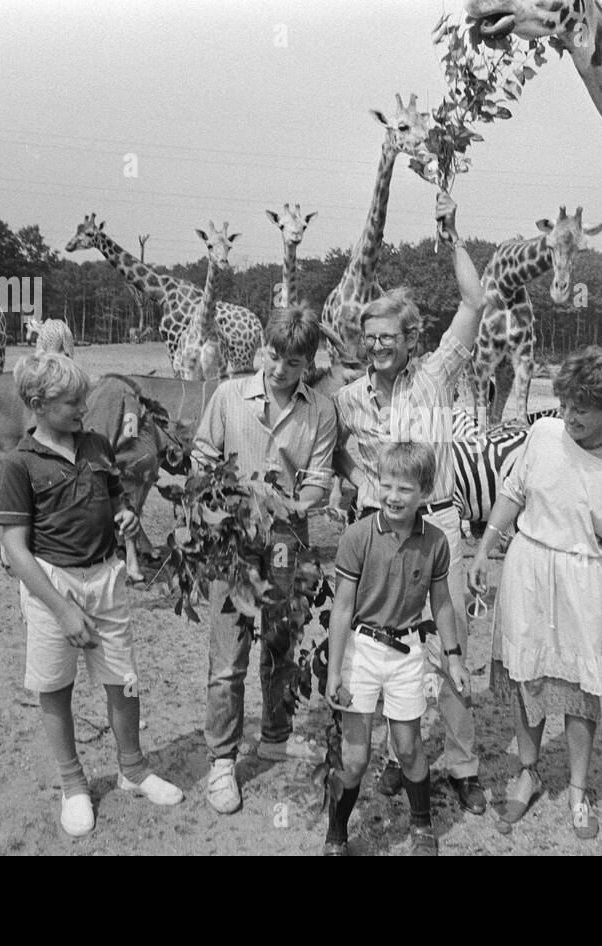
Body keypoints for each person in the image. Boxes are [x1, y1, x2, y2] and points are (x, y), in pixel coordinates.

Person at [333, 190, 489, 814]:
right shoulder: (347, 399)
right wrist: (353, 478)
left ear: (409, 336)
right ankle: (404, 759)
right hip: (376, 535)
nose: (378, 346)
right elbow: (333, 451)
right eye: (369, 337)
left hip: (440, 522)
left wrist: (451, 235)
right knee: (385, 649)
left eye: (388, 336)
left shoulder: (436, 376)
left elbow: (475, 301)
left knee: (449, 651)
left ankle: (463, 763)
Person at [467, 346, 602, 839]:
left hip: (585, 578)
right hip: (527, 566)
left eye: (583, 410)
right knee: (526, 675)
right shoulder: (544, 433)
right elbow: (513, 492)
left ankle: (577, 788)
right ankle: (527, 773)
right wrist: (485, 548)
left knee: (580, 689)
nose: (570, 417)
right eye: (566, 405)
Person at [0, 352, 182, 838]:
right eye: (72, 401)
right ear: (37, 404)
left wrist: (126, 515)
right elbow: (15, 549)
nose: (84, 407)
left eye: (84, 397)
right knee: (55, 687)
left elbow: (116, 493)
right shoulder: (19, 465)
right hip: (52, 586)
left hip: (106, 578)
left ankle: (133, 768)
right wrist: (61, 610)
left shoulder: (97, 444)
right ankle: (73, 784)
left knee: (124, 679)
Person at [191, 305, 339, 814]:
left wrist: (290, 503)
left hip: (285, 544)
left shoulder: (319, 410)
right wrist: (224, 503)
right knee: (228, 655)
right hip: (232, 544)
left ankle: (275, 735)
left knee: (279, 646)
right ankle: (222, 760)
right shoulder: (229, 395)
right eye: (275, 357)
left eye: (293, 363)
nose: (280, 370)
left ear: (308, 363)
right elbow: (203, 458)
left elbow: (319, 481)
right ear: (264, 351)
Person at [324, 442, 470, 855]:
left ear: (424, 491)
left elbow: (441, 603)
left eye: (404, 488)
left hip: (407, 653)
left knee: (408, 748)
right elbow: (342, 608)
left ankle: (422, 826)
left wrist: (453, 657)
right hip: (363, 651)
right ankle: (337, 833)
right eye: (385, 485)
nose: (392, 496)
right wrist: (335, 671)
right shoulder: (358, 536)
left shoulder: (436, 542)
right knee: (355, 757)